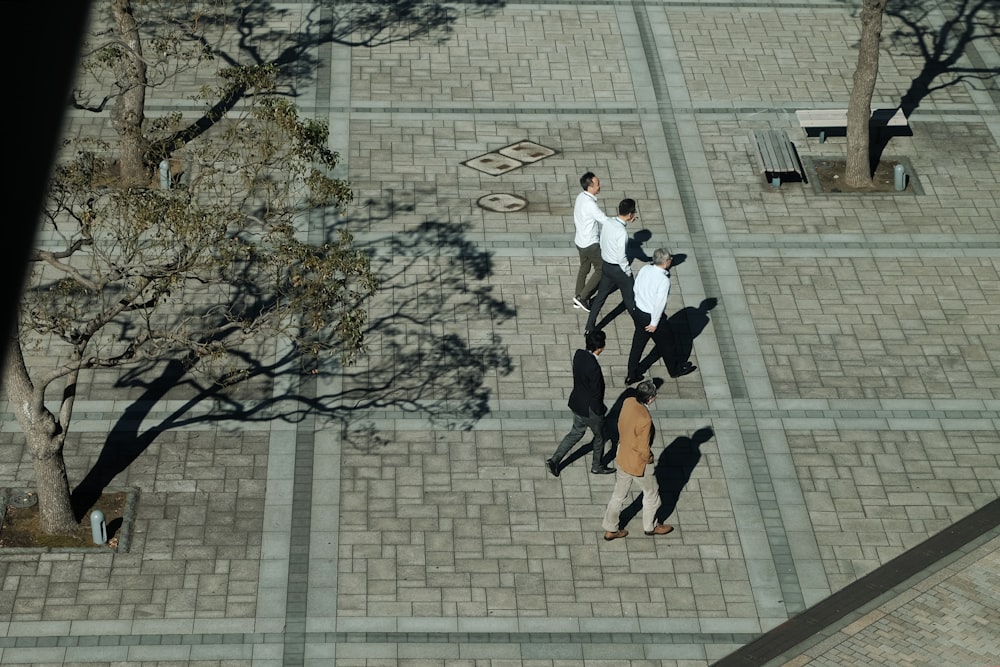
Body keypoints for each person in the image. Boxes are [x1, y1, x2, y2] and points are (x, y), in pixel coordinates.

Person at [601, 379, 674, 540]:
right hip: (638, 463)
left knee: (619, 495)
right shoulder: (645, 419)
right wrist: (649, 460)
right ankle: (651, 526)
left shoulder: (628, 402)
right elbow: (643, 448)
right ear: (650, 398)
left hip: (622, 454)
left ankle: (610, 528)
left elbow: (621, 424)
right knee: (652, 494)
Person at [546, 330, 615, 477]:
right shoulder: (594, 368)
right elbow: (597, 394)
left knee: (575, 433)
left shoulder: (578, 354)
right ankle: (597, 466)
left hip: (577, 403)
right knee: (600, 437)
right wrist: (600, 411)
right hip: (591, 410)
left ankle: (554, 460)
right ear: (600, 348)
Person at [625, 248, 697, 384]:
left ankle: (631, 374)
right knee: (668, 344)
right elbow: (659, 304)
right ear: (667, 262)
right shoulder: (664, 280)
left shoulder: (645, 269)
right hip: (652, 317)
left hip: (638, 312)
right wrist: (654, 323)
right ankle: (675, 370)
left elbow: (636, 288)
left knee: (637, 345)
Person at [584, 198, 638, 334]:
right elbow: (621, 257)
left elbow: (602, 241)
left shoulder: (608, 222)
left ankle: (589, 327)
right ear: (630, 214)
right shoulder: (622, 233)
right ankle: (641, 325)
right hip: (619, 270)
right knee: (630, 299)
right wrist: (627, 272)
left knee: (600, 296)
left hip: (606, 266)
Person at [572, 172, 610, 312]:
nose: (600, 186)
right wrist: (620, 222)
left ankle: (578, 297)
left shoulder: (580, 197)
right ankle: (583, 297)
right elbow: (604, 220)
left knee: (584, 268)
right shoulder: (590, 204)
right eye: (597, 184)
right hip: (590, 244)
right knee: (601, 269)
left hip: (580, 240)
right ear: (590, 186)